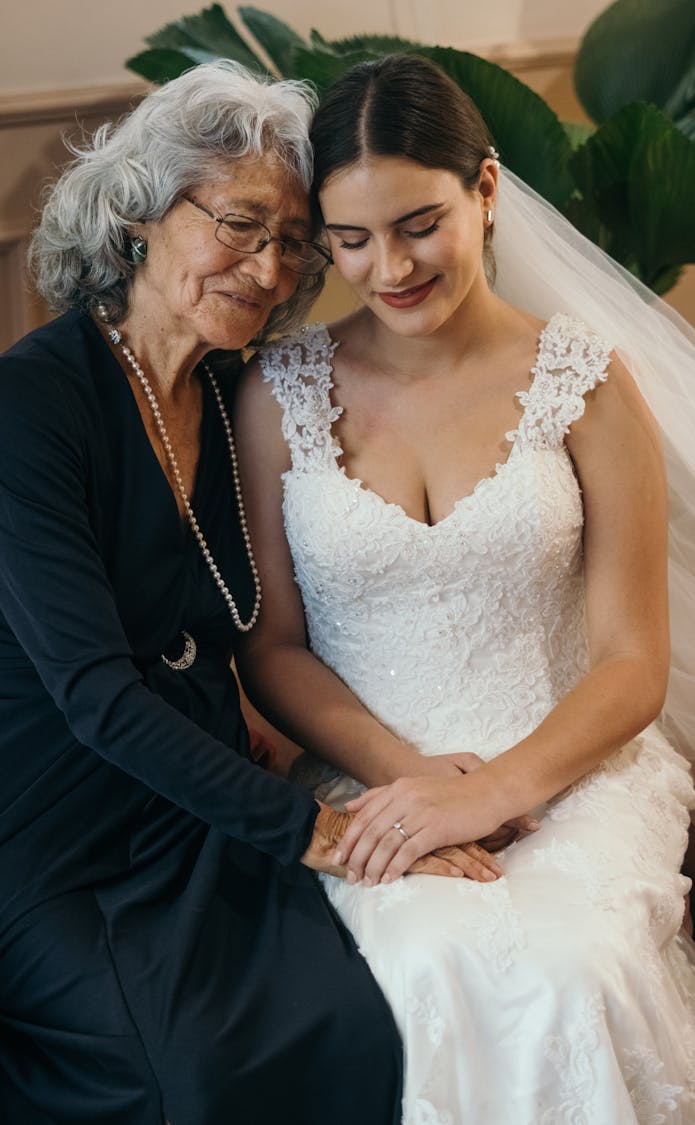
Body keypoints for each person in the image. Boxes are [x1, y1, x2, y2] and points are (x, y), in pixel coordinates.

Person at [235, 55, 695, 1122]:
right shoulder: (277, 395)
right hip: (371, 777)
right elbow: (274, 645)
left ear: (486, 190)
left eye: (420, 222)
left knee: (565, 968)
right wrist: (411, 781)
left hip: (576, 767)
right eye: (351, 239)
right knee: (408, 964)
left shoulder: (589, 383)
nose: (389, 266)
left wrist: (493, 789)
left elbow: (630, 661)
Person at [0, 59, 503, 1125]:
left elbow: (254, 626)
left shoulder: (239, 395)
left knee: (361, 1011)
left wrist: (386, 778)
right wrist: (316, 830)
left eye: (293, 244)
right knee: (184, 1071)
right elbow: (93, 695)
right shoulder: (28, 406)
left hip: (210, 788)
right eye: (238, 225)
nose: (269, 270)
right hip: (59, 819)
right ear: (138, 214)